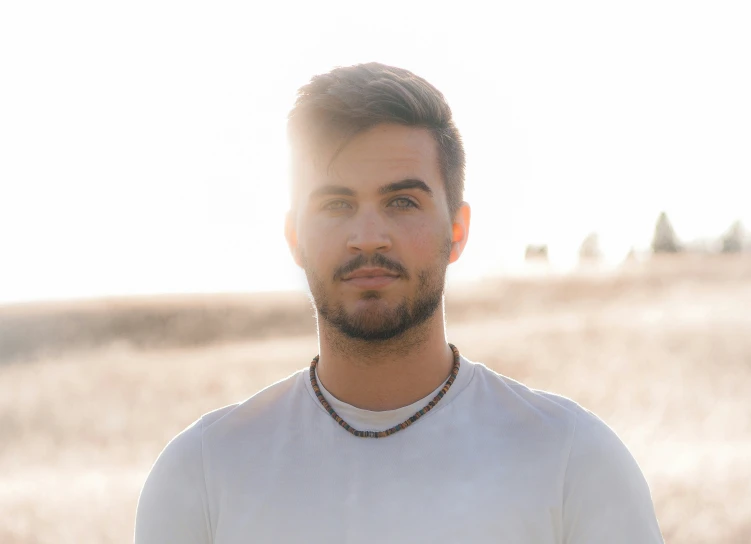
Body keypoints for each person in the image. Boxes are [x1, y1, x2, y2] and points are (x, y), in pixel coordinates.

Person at [134, 62, 664, 543]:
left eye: (402, 201)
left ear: (457, 231)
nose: (368, 236)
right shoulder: (203, 471)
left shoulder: (573, 461)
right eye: (337, 203)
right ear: (294, 236)